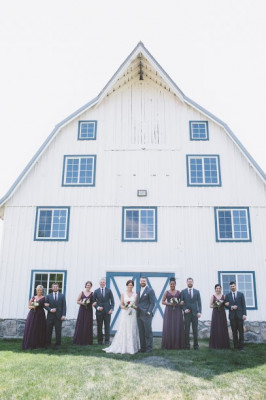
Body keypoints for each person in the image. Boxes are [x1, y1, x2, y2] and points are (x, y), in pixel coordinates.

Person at [103, 279, 140, 354]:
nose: (130, 286)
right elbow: (121, 304)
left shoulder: (135, 294)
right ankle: (123, 346)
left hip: (132, 313)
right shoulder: (123, 294)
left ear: (133, 286)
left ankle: (132, 347)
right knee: (124, 328)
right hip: (125, 313)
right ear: (127, 285)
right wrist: (125, 307)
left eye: (131, 285)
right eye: (129, 285)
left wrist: (133, 306)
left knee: (132, 328)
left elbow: (136, 305)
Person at [161, 277, 185, 350]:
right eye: (171, 284)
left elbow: (182, 301)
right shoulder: (166, 292)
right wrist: (169, 304)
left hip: (177, 311)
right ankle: (168, 344)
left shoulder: (178, 292)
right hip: (169, 310)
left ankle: (178, 344)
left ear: (175, 284)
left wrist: (181, 302)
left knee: (177, 325)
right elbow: (162, 301)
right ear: (169, 284)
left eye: (173, 284)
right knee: (169, 326)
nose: (172, 285)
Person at [22, 285, 47, 350]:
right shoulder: (33, 297)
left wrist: (47, 305)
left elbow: (46, 305)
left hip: (40, 315)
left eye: (41, 290)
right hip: (33, 314)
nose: (39, 291)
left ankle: (39, 344)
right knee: (32, 328)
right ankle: (31, 344)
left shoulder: (44, 298)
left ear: (42, 291)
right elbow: (29, 306)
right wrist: (33, 306)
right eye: (38, 290)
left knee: (39, 328)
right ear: (36, 290)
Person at [224, 281, 247, 350]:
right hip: (232, 316)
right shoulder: (227, 295)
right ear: (230, 287)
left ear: (235, 286)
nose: (232, 287)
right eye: (231, 286)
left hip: (240, 316)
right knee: (234, 331)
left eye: (233, 286)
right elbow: (226, 305)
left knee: (241, 331)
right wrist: (231, 307)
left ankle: (241, 346)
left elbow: (243, 305)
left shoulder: (241, 294)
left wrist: (244, 314)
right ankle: (235, 346)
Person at [181, 277, 202, 350]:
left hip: (195, 313)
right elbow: (182, 302)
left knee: (195, 330)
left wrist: (199, 312)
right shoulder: (183, 291)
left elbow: (199, 303)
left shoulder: (197, 291)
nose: (190, 283)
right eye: (188, 282)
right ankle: (187, 345)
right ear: (187, 283)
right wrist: (184, 309)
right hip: (187, 314)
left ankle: (196, 345)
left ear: (193, 282)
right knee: (186, 329)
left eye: (191, 281)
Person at [93, 277, 115, 345]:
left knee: (107, 326)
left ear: (105, 283)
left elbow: (112, 301)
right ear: (99, 283)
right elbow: (93, 302)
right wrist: (97, 307)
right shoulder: (96, 291)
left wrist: (111, 309)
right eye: (101, 282)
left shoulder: (109, 290)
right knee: (99, 326)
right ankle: (100, 341)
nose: (102, 283)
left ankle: (107, 341)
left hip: (107, 311)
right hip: (99, 312)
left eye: (103, 282)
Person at [137, 277, 156, 353]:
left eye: (144, 281)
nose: (142, 282)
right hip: (139, 314)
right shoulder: (138, 291)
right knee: (141, 332)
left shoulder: (150, 290)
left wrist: (149, 312)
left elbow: (152, 302)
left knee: (148, 332)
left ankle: (149, 348)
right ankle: (143, 348)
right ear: (140, 282)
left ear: (146, 282)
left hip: (147, 314)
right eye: (141, 281)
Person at [45, 282, 66, 348]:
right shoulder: (48, 296)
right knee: (48, 330)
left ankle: (58, 344)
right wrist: (50, 309)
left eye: (56, 286)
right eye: (54, 286)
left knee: (58, 330)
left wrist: (63, 315)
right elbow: (45, 305)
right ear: (52, 288)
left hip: (59, 316)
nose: (55, 287)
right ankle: (48, 343)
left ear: (58, 287)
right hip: (50, 316)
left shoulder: (62, 296)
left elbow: (64, 306)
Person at [209, 284, 230, 349]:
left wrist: (226, 303)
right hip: (215, 313)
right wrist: (216, 305)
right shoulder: (213, 296)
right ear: (215, 289)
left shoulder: (224, 296)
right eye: (217, 288)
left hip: (222, 313)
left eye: (219, 288)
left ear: (221, 289)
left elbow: (227, 304)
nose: (218, 289)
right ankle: (215, 344)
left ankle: (223, 344)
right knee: (216, 327)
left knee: (222, 327)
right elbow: (210, 305)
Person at [73, 281, 94, 345]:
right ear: (85, 286)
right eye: (87, 285)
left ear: (91, 286)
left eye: (89, 285)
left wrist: (93, 304)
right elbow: (77, 301)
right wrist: (82, 303)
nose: (88, 286)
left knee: (87, 324)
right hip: (82, 309)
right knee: (80, 323)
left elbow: (94, 301)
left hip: (89, 310)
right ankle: (79, 340)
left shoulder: (92, 293)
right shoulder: (81, 293)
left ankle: (87, 341)